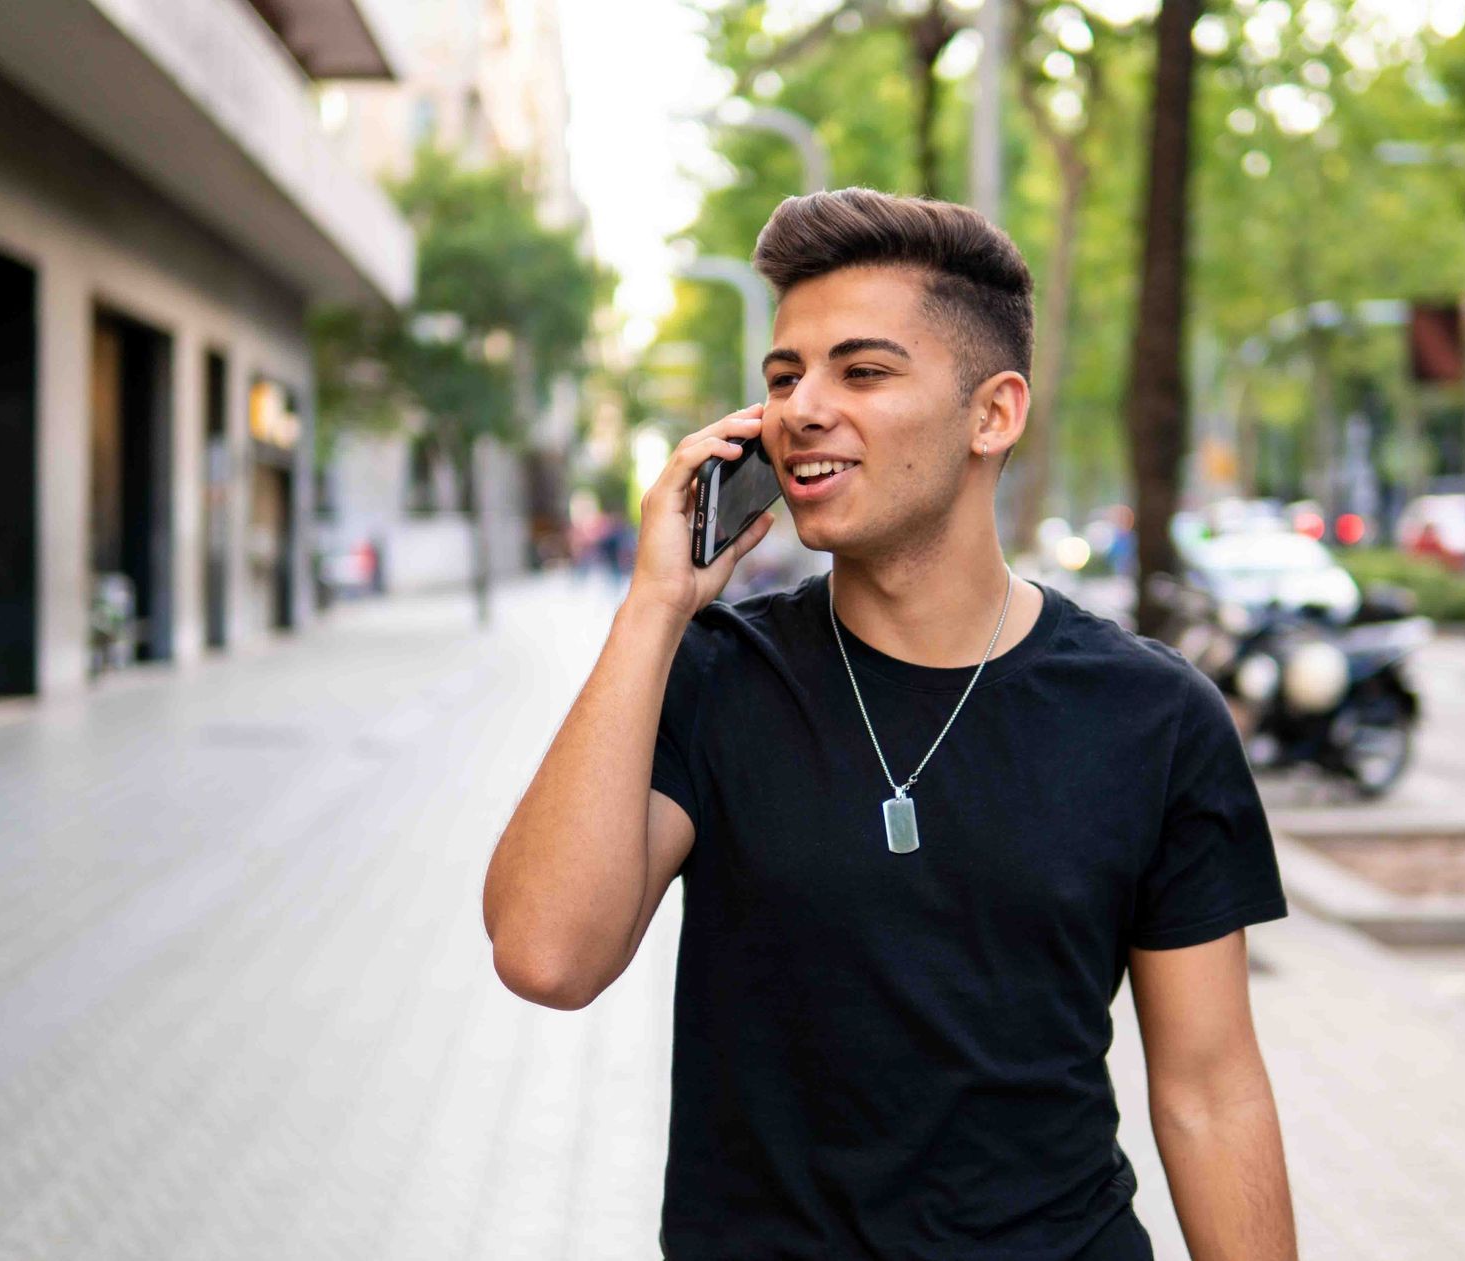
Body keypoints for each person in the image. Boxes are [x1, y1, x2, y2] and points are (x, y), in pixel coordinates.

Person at [482, 188, 1296, 1260]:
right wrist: (653, 608)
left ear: (992, 413)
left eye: (861, 372)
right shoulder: (712, 675)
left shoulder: (1153, 714)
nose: (802, 408)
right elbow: (547, 956)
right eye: (784, 377)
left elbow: (1209, 1089)